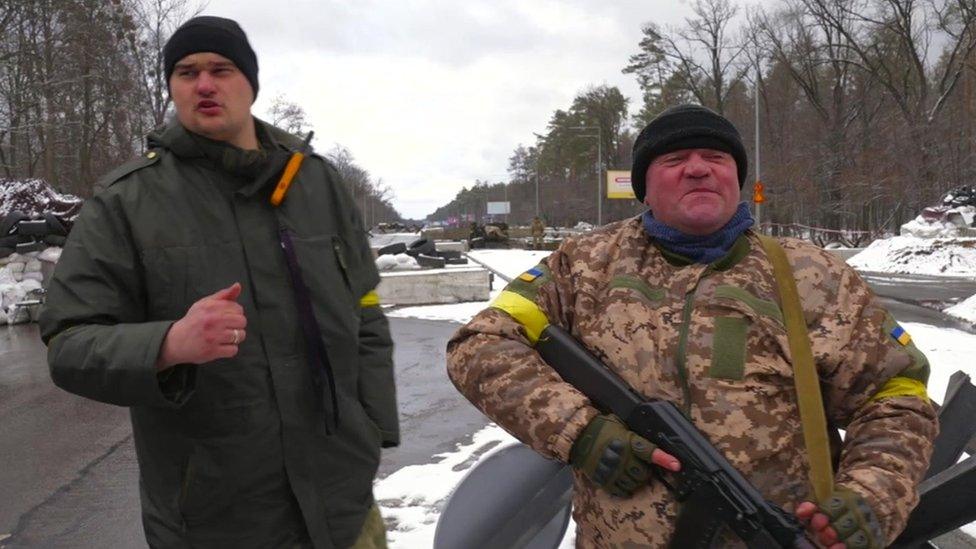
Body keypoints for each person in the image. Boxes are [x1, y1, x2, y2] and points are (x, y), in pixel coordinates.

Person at [446, 104, 937, 548]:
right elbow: (479, 344)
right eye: (675, 159)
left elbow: (896, 394)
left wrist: (874, 494)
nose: (699, 168)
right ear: (645, 185)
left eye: (715, 157)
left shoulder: (816, 276)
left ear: (735, 177)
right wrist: (579, 431)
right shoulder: (582, 266)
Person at [39, 16, 398, 549]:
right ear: (172, 88)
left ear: (250, 83)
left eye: (221, 69)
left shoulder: (316, 182)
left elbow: (365, 309)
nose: (204, 84)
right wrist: (166, 345)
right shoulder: (125, 203)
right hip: (213, 522)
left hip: (344, 510)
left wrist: (371, 429)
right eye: (186, 72)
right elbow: (68, 343)